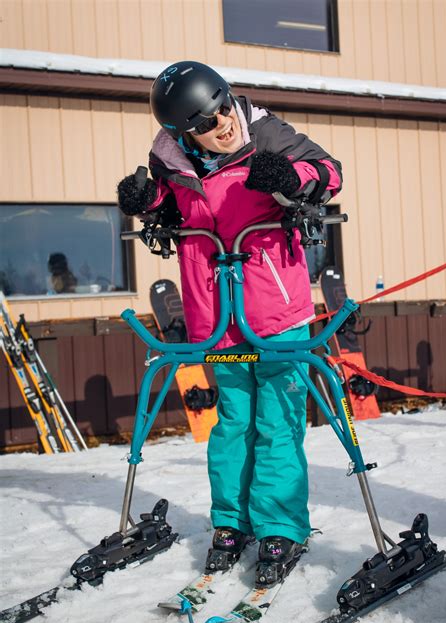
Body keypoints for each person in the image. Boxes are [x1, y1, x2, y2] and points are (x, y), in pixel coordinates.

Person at [118, 61, 342, 586]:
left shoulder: (266, 132)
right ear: (181, 134)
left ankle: (281, 527)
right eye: (206, 121)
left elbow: (329, 172)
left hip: (277, 312)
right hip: (218, 318)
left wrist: (291, 178)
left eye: (223, 106)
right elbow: (173, 210)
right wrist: (146, 200)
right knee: (232, 424)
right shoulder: (169, 160)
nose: (223, 123)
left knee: (278, 424)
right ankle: (230, 523)